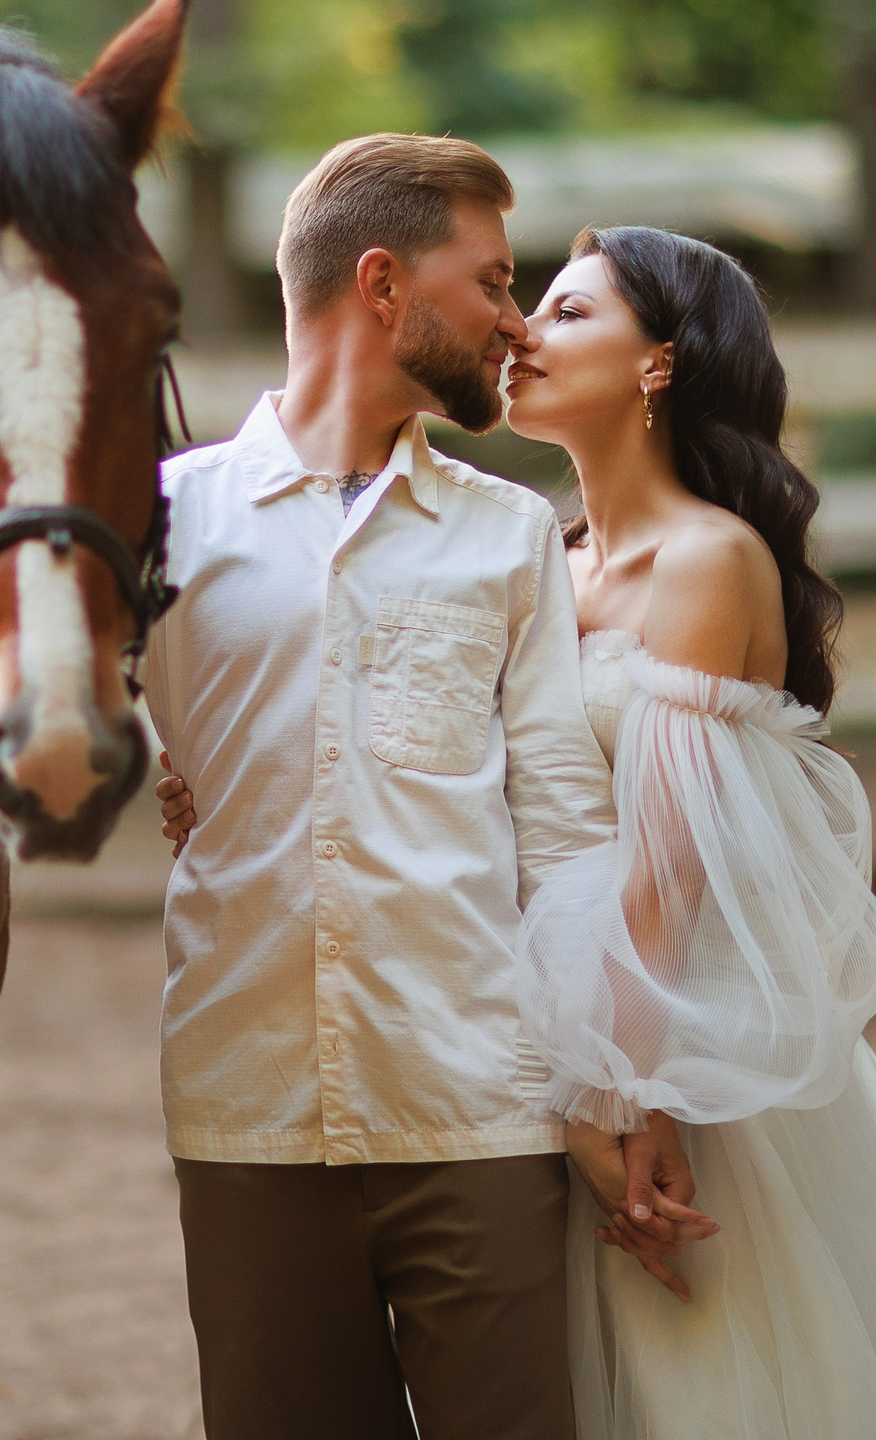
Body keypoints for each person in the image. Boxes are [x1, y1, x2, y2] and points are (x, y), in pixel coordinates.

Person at [162, 223, 876, 1439]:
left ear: (657, 363)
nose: (518, 332)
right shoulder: (542, 556)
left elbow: (666, 869)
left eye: (562, 311)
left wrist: (620, 1091)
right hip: (541, 1036)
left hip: (667, 1045)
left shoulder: (708, 562)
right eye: (521, 303)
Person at [133, 135, 699, 1440]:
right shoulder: (164, 523)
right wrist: (156, 760)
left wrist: (618, 1086)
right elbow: (52, 728)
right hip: (248, 1114)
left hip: (480, 1111)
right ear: (382, 285)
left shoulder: (507, 537)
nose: (517, 318)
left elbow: (564, 831)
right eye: (492, 280)